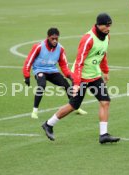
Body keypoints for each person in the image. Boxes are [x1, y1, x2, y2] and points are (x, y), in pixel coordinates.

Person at [41, 13, 120, 144]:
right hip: (81, 77)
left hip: (94, 76)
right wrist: (77, 83)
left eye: (110, 25)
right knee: (73, 105)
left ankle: (103, 135)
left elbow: (102, 54)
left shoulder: (107, 37)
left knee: (105, 101)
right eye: (106, 25)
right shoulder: (88, 39)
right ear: (98, 25)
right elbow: (79, 62)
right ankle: (48, 124)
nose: (108, 28)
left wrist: (105, 71)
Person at [22, 28, 87, 119]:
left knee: (67, 85)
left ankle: (76, 107)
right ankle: (35, 111)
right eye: (52, 38)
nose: (55, 40)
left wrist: (70, 76)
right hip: (39, 70)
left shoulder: (60, 49)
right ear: (48, 37)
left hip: (52, 71)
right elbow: (28, 61)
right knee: (42, 85)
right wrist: (26, 76)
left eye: (56, 38)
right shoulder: (38, 46)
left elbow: (64, 65)